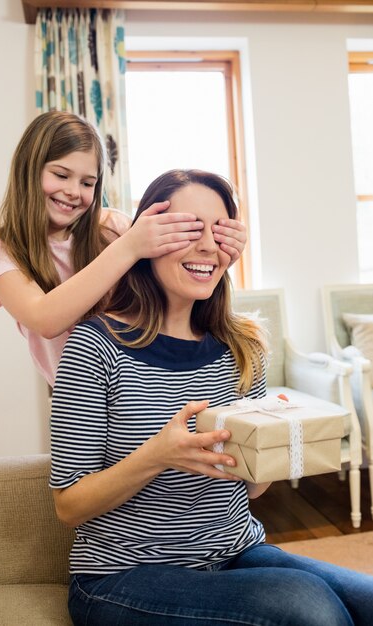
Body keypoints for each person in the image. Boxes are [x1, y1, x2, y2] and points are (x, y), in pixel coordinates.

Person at [50, 168, 373, 626]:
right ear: (148, 238)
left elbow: (253, 489)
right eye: (188, 229)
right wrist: (158, 455)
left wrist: (277, 445)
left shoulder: (243, 345)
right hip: (121, 577)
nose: (206, 247)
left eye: (219, 231)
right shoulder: (94, 346)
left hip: (235, 551)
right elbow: (68, 505)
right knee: (308, 609)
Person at [0, 112, 246, 387]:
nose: (73, 191)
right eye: (61, 175)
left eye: (87, 183)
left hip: (137, 381)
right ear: (28, 170)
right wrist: (129, 246)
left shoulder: (113, 227)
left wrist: (219, 256)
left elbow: (165, 283)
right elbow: (44, 319)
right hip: (76, 391)